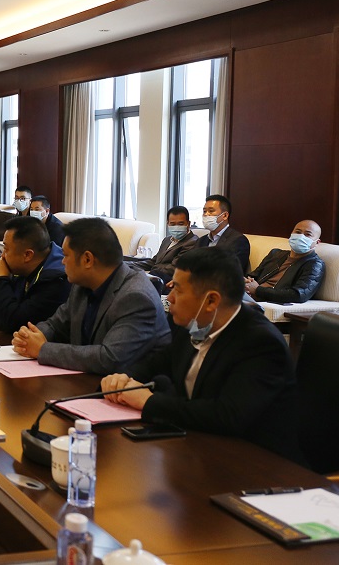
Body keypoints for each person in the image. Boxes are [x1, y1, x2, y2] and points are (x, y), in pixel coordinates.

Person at [101, 247, 303, 463]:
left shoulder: (260, 343)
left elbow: (227, 416)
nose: (170, 298)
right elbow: (158, 362)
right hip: (197, 446)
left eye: (178, 290)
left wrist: (148, 401)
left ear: (211, 301)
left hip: (256, 462)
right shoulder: (196, 322)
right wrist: (123, 379)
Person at [12, 217, 170, 374]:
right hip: (87, 380)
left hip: (129, 386)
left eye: (66, 255)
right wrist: (31, 337)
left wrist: (43, 349)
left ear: (87, 259)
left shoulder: (135, 297)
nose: (62, 261)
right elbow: (56, 325)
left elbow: (109, 358)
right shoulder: (82, 284)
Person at [244, 219, 324, 304]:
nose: (301, 236)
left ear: (317, 242)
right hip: (248, 296)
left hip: (267, 302)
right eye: (298, 232)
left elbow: (298, 295)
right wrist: (245, 281)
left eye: (308, 234)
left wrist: (258, 290)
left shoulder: (315, 265)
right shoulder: (276, 254)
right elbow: (254, 275)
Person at [128, 205, 198, 283]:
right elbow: (153, 262)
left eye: (180, 224)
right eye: (172, 224)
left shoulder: (192, 242)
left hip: (170, 280)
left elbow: (174, 268)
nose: (176, 227)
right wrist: (127, 265)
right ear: (168, 224)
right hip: (156, 276)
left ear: (188, 224)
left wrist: (150, 273)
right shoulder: (167, 240)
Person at [197, 194, 250, 272]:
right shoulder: (201, 240)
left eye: (211, 211)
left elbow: (232, 271)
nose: (206, 214)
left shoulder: (238, 241)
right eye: (204, 211)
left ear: (225, 215)